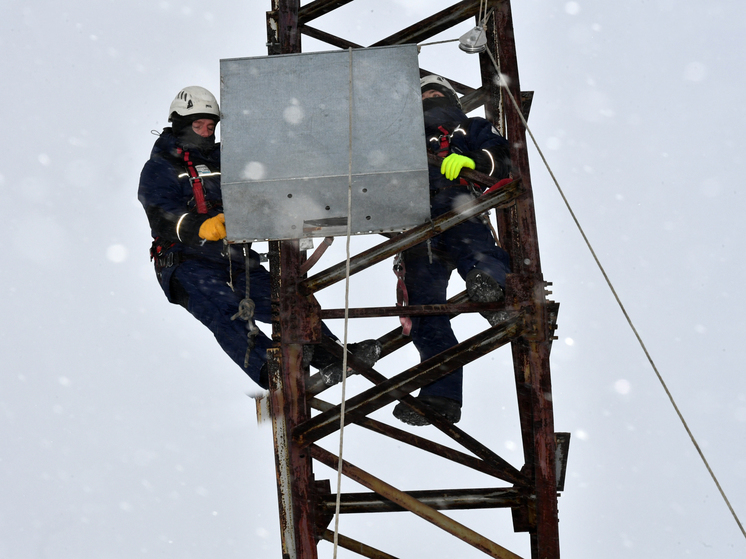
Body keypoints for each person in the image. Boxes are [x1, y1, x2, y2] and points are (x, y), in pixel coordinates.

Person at [138, 86, 380, 390]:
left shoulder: (229, 162)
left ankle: (328, 353)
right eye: (197, 125)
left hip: (235, 258)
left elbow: (261, 195)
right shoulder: (162, 166)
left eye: (210, 126)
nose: (205, 132)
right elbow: (159, 213)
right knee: (226, 310)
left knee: (286, 300)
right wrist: (198, 226)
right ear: (180, 125)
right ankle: (271, 369)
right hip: (187, 263)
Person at [392, 75, 513, 426]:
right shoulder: (400, 138)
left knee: (473, 245)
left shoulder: (470, 127)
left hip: (456, 201)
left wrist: (471, 165)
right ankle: (440, 397)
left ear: (450, 99)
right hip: (416, 224)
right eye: (425, 95)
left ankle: (493, 291)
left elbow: (500, 161)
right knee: (423, 312)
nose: (430, 98)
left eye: (436, 93)